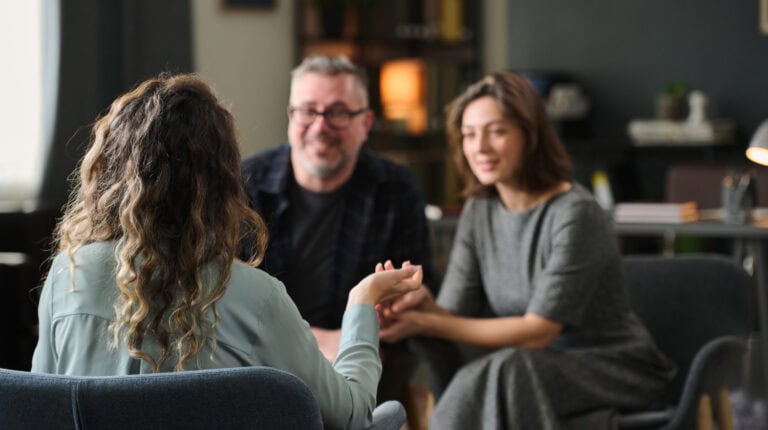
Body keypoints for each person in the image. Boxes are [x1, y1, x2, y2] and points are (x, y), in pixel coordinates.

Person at [30, 73, 423, 430]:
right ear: (224, 181)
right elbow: (353, 415)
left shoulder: (68, 274)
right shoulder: (258, 297)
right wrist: (363, 301)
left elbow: (40, 409)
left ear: (110, 168)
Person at [377, 72, 676, 429]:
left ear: (530, 135)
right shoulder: (480, 211)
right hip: (528, 368)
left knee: (508, 368)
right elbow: (455, 317)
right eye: (470, 134)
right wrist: (420, 303)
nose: (480, 147)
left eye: (496, 131)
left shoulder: (575, 213)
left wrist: (428, 321)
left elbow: (539, 333)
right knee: (504, 369)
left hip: (615, 368)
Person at [240, 55, 436, 403]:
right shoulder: (246, 183)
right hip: (263, 355)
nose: (320, 126)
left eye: (339, 112)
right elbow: (229, 296)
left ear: (367, 122)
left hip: (366, 354)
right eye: (307, 111)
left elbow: (423, 288)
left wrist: (404, 300)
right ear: (290, 117)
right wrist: (314, 342)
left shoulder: (396, 187)